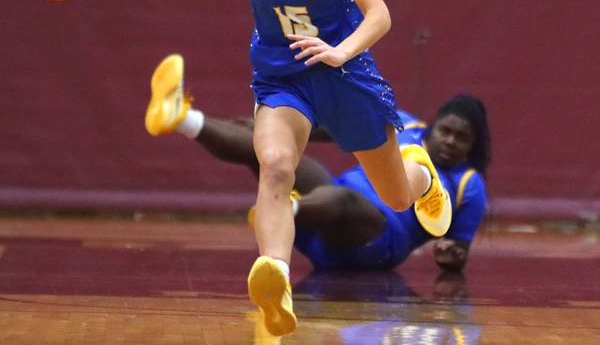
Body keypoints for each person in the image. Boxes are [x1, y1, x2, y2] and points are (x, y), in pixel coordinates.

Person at [99, 0, 452, 337]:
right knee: (276, 167)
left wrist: (339, 51)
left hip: (342, 70)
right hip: (281, 75)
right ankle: (277, 280)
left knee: (398, 198)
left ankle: (421, 172)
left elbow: (379, 14)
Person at [145, 53, 490, 273]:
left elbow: (457, 254)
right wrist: (276, 126)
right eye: (446, 131)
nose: (450, 141)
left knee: (343, 200)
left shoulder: (469, 184)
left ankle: (286, 209)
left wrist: (451, 255)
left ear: (472, 146)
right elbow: (330, 125)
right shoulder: (404, 125)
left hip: (371, 242)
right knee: (269, 152)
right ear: (434, 124)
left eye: (461, 138)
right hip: (324, 211)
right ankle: (181, 117)